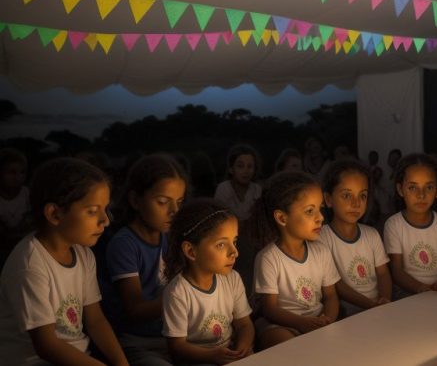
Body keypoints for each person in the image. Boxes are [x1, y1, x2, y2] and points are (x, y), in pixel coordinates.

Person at [0, 158, 127, 366]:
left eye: (105, 209)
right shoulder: (30, 264)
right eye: (93, 211)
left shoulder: (83, 254)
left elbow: (95, 320)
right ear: (55, 214)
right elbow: (47, 346)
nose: (106, 220)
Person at [100, 154, 186, 366]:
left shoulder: (169, 238)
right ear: (135, 200)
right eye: (163, 202)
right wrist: (187, 294)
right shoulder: (125, 244)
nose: (174, 210)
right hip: (138, 342)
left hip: (175, 337)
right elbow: (135, 309)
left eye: (180, 202)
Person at [250, 172, 339, 349]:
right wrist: (301, 323)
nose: (320, 217)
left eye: (320, 209)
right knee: (284, 342)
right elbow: (269, 309)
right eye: (309, 211)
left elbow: (331, 296)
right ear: (282, 218)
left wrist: (327, 319)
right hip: (282, 325)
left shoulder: (321, 252)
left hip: (317, 319)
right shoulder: (268, 258)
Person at [162, 199, 254, 364]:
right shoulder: (178, 292)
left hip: (230, 353)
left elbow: (244, 324)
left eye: (234, 241)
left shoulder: (232, 279)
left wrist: (242, 348)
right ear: (191, 251)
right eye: (220, 245)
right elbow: (177, 346)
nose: (235, 252)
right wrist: (212, 356)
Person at [317, 160, 392, 315]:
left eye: (362, 196)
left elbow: (383, 274)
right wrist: (370, 305)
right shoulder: (322, 237)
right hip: (344, 314)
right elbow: (336, 285)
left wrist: (384, 300)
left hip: (377, 308)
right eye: (346, 195)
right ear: (329, 199)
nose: (356, 203)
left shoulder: (371, 234)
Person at [383, 154, 437, 297]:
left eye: (429, 187)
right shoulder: (394, 225)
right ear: (400, 190)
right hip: (407, 296)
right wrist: (420, 289)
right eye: (413, 187)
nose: (421, 195)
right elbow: (396, 269)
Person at [213, 144, 262, 222]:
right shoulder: (223, 189)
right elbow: (219, 219)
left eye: (250, 166)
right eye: (240, 166)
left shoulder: (257, 190)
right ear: (231, 169)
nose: (246, 171)